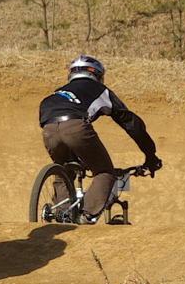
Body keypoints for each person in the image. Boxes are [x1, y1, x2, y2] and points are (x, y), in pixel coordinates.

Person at [38, 55, 161, 225]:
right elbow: (131, 123)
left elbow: (53, 122)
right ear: (97, 75)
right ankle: (87, 216)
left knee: (64, 170)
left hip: (48, 129)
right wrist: (151, 155)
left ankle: (62, 214)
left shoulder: (58, 92)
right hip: (75, 127)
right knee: (105, 172)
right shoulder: (98, 89)